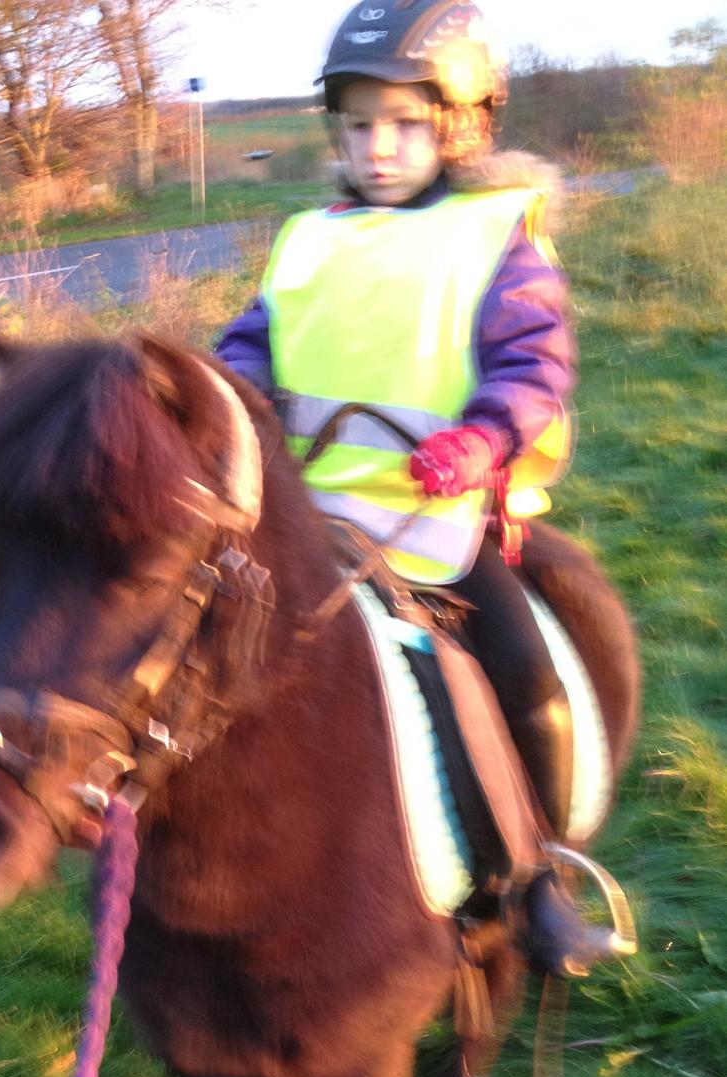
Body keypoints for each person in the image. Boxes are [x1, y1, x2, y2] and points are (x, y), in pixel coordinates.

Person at [215, 0, 618, 979]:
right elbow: (248, 347)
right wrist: (224, 399)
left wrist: (483, 442)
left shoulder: (495, 237)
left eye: (403, 124)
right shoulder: (309, 239)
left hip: (436, 515)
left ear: (461, 123)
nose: (378, 148)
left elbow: (533, 364)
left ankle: (541, 881)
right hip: (308, 516)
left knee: (529, 677)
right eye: (358, 126)